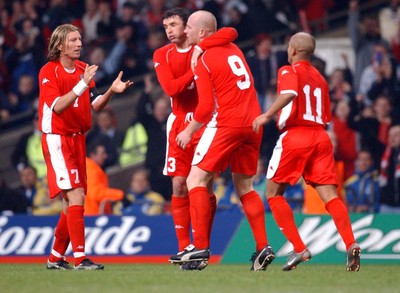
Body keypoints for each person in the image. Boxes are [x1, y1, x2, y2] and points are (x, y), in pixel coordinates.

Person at [172, 10, 275, 272]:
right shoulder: (234, 49)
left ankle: (200, 247)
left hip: (227, 124)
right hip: (253, 124)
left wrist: (189, 131)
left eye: (190, 28)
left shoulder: (204, 60)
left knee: (195, 179)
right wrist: (202, 46)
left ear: (203, 33)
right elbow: (228, 31)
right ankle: (263, 247)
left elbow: (206, 108)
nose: (186, 32)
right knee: (245, 187)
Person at [252, 32, 361, 272]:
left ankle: (300, 248)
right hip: (321, 137)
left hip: (297, 135)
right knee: (330, 196)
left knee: (273, 194)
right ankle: (350, 242)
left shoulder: (288, 71)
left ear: (292, 50)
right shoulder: (320, 77)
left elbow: (290, 93)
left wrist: (267, 115)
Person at [38, 24, 133, 270]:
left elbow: (96, 104)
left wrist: (111, 90)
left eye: (80, 39)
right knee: (76, 195)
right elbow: (57, 107)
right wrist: (81, 84)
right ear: (59, 45)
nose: (79, 43)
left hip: (78, 138)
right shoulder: (49, 71)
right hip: (57, 138)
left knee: (71, 204)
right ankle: (80, 258)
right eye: (73, 40)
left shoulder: (82, 69)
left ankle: (55, 258)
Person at [153, 7, 238, 261]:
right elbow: (171, 88)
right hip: (179, 122)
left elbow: (231, 31)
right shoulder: (162, 54)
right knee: (179, 185)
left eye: (175, 25)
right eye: (166, 26)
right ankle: (185, 246)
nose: (170, 31)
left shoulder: (202, 47)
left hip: (205, 121)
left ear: (188, 26)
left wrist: (200, 53)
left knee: (201, 185)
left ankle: (203, 244)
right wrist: (196, 69)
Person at [85, 143, 124, 215]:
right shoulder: (89, 170)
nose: (105, 156)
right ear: (93, 155)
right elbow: (96, 193)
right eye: (102, 153)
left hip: (92, 215)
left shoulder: (91, 168)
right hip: (91, 216)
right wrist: (120, 195)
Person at [379, 124, 400, 213]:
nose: (392, 138)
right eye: (390, 135)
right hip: (386, 204)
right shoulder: (384, 153)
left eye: (396, 135)